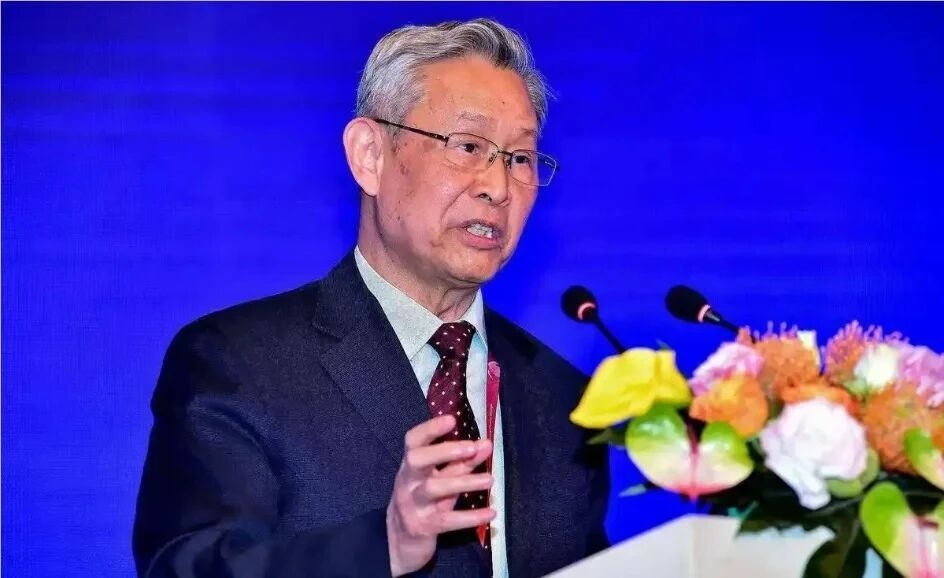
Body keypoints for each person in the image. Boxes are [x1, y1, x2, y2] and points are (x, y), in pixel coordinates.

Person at [132, 18, 609, 578]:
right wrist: (385, 544)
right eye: (469, 146)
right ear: (370, 155)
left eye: (520, 158)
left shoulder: (564, 399)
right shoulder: (235, 362)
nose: (498, 186)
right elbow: (187, 570)